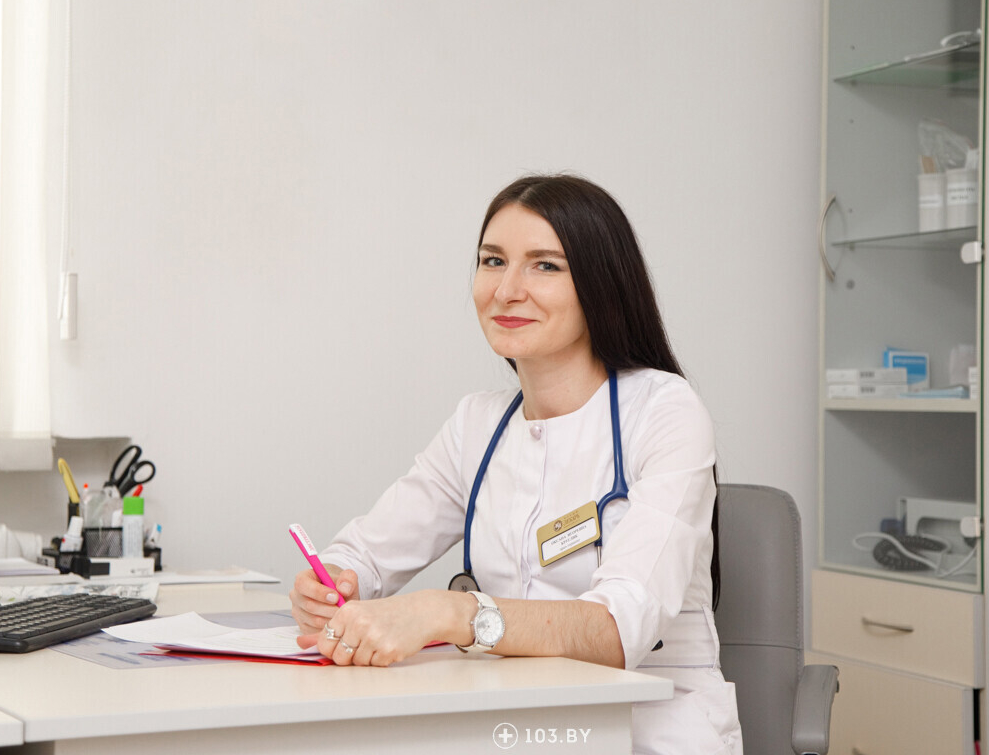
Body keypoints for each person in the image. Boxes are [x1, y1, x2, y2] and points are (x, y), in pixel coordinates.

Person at [290, 173, 742, 754]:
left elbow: (617, 628)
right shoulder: (478, 423)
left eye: (544, 266)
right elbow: (366, 554)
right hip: (513, 725)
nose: (506, 290)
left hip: (646, 728)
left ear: (601, 284)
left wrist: (450, 613)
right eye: (493, 261)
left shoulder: (664, 412)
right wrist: (331, 583)